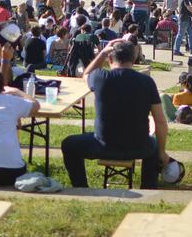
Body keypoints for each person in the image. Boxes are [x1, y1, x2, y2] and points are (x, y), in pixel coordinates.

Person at [60, 39, 171, 188]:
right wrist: (162, 152)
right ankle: (148, 188)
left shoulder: (100, 78)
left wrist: (101, 54)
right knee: (155, 146)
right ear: (133, 59)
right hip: (139, 146)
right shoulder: (147, 82)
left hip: (103, 146)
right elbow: (160, 121)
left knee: (69, 144)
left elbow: (86, 74)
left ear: (110, 59)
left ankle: (81, 187)